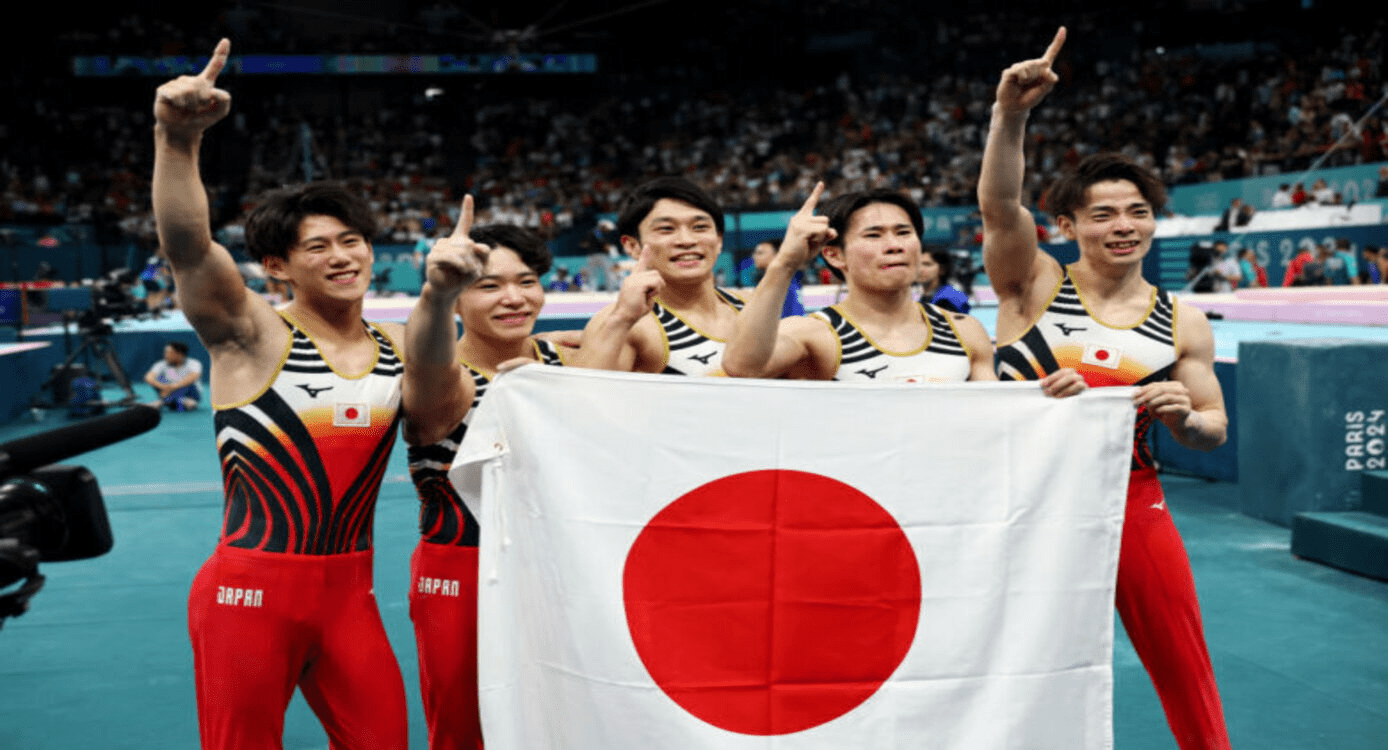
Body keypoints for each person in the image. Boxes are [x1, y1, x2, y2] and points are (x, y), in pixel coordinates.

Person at [154, 40, 420, 750]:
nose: (343, 256)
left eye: (353, 240)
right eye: (318, 247)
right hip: (249, 595)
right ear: (277, 268)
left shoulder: (397, 349)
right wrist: (176, 139)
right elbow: (188, 247)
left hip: (352, 598)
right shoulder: (251, 334)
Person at [978, 28, 1231, 750]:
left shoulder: (1182, 319)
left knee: (1186, 666)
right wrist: (1011, 116)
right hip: (1019, 500)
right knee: (1013, 668)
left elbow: (1213, 427)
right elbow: (1000, 208)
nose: (1124, 226)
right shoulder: (1034, 284)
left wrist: (1187, 416)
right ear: (1067, 225)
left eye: (1138, 212)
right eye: (1103, 213)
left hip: (1132, 502)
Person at [404, 211, 574, 750]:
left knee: (563, 716)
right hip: (461, 570)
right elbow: (424, 360)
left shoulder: (566, 360)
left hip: (553, 567)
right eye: (489, 286)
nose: (514, 298)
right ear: (457, 300)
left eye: (527, 282)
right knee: (463, 728)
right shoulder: (444, 378)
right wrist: (435, 292)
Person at [723, 184, 1084, 396]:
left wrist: (1045, 397)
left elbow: (995, 415)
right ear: (834, 255)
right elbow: (742, 367)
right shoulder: (812, 334)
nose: (894, 245)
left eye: (903, 233)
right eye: (874, 235)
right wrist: (785, 262)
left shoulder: (963, 330)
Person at [576, 176, 744, 375]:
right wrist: (621, 320)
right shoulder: (628, 325)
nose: (687, 240)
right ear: (632, 246)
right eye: (666, 229)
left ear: (719, 240)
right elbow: (584, 398)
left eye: (700, 227)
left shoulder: (752, 307)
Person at [750, 238, 805, 317]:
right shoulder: (787, 278)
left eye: (760, 253)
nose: (754, 256)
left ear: (777, 255)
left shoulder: (778, 282)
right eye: (755, 253)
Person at [144, 340, 202, 411]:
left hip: (190, 393)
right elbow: (148, 377)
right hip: (167, 391)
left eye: (169, 353)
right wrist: (162, 386)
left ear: (180, 354)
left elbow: (193, 377)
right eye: (165, 352)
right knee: (159, 379)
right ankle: (182, 401)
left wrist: (171, 388)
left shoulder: (194, 363)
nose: (165, 355)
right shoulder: (161, 364)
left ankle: (162, 402)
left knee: (188, 383)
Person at [917, 248, 971, 313]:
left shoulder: (948, 299)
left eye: (927, 264)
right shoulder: (926, 298)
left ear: (942, 269)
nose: (920, 269)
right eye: (917, 264)